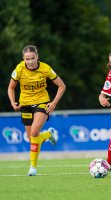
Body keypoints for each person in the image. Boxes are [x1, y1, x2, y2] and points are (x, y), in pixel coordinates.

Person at [7, 45, 66, 176]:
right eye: (27, 59)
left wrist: (54, 102)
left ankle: (33, 168)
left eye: (33, 58)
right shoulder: (19, 69)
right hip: (25, 104)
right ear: (23, 59)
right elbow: (11, 88)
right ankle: (49, 135)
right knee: (31, 138)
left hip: (42, 102)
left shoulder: (45, 68)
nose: (30, 61)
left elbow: (62, 86)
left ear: (37, 57)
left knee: (34, 132)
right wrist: (12, 101)